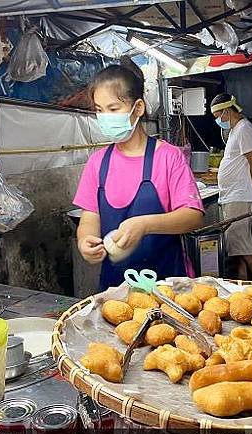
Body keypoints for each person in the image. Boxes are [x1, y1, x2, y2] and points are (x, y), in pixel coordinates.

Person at [73, 64, 204, 290]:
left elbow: (192, 216)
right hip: (115, 288)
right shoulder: (97, 163)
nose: (105, 117)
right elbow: (90, 218)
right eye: (99, 110)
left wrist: (145, 225)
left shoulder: (168, 157)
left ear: (138, 107)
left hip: (168, 284)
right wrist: (85, 241)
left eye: (113, 109)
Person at [211, 93, 252, 282]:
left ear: (227, 111)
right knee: (237, 239)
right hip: (232, 194)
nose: (218, 120)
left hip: (239, 194)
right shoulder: (236, 130)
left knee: (240, 239)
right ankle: (242, 276)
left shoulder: (244, 129)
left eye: (218, 116)